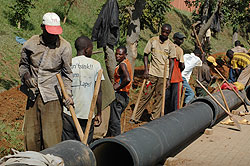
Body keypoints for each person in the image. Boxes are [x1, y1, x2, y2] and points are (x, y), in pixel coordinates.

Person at [19, 12, 72, 151]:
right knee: (31, 138)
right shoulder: (31, 43)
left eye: (56, 33)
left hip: (52, 98)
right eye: (50, 32)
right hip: (33, 96)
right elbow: (23, 65)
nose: (53, 36)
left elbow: (67, 74)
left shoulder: (64, 47)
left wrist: (68, 94)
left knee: (51, 140)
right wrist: (26, 77)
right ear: (42, 27)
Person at [62, 36, 104, 144]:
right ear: (86, 50)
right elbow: (98, 91)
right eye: (91, 48)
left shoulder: (68, 63)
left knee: (68, 144)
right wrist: (99, 113)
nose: (92, 50)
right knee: (85, 146)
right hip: (87, 113)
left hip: (69, 112)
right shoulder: (96, 65)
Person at [131, 24, 176, 122]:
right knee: (145, 95)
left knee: (159, 98)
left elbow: (172, 62)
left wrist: (169, 78)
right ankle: (136, 117)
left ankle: (154, 119)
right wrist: (146, 70)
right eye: (163, 31)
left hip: (163, 76)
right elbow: (146, 55)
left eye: (166, 32)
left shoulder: (171, 45)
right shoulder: (153, 41)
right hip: (152, 74)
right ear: (161, 30)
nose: (164, 34)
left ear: (169, 33)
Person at [106, 46, 132, 137]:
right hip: (125, 95)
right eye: (116, 53)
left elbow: (128, 79)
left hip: (120, 95)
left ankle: (116, 139)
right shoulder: (126, 63)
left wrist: (118, 86)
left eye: (120, 54)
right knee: (115, 117)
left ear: (125, 55)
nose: (117, 56)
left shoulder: (122, 65)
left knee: (114, 120)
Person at [165, 32, 185, 114]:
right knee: (175, 100)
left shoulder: (167, 46)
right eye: (180, 39)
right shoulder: (179, 50)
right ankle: (174, 115)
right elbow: (182, 65)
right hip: (175, 77)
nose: (182, 41)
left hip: (166, 76)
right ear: (175, 39)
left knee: (166, 98)